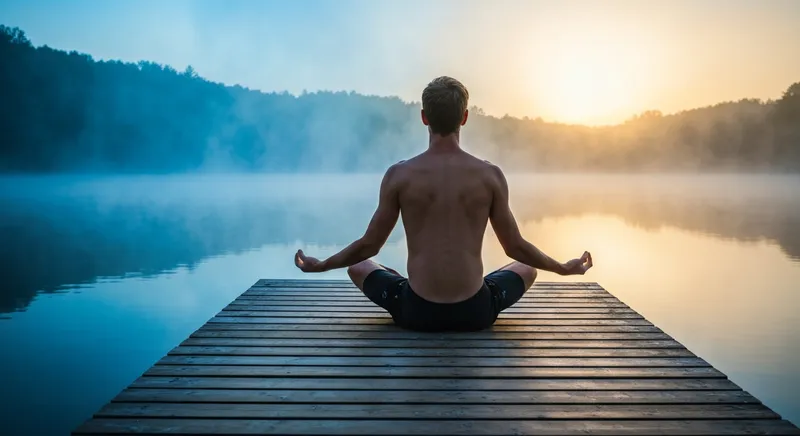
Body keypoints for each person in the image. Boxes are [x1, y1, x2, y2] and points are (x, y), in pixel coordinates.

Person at [294, 76, 593, 332]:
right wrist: (561, 268)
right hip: (475, 314)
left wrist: (322, 265)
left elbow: (369, 246)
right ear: (464, 117)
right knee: (527, 267)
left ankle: (406, 284)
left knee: (358, 266)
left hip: (416, 313)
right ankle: (470, 286)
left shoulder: (400, 175)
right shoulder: (490, 176)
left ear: (424, 117)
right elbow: (515, 247)